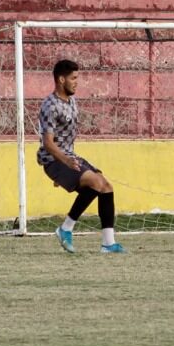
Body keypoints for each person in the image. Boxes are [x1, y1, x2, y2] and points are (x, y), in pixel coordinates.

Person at [39, 59, 124, 254]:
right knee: (95, 182)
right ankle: (66, 228)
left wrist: (66, 171)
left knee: (105, 186)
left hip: (68, 158)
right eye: (73, 78)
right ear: (61, 79)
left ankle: (108, 244)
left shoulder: (71, 101)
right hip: (55, 160)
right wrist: (63, 164)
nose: (77, 82)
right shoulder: (50, 106)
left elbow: (66, 137)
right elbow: (48, 143)